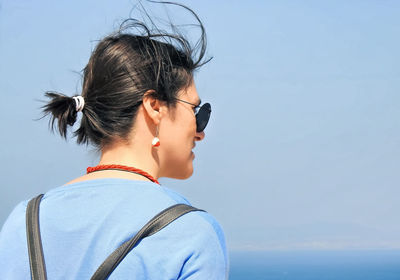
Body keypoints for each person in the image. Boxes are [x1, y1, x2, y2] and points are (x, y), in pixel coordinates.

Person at [0, 3, 228, 279]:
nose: (201, 131)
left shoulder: (25, 220)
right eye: (195, 111)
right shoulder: (190, 232)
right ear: (154, 106)